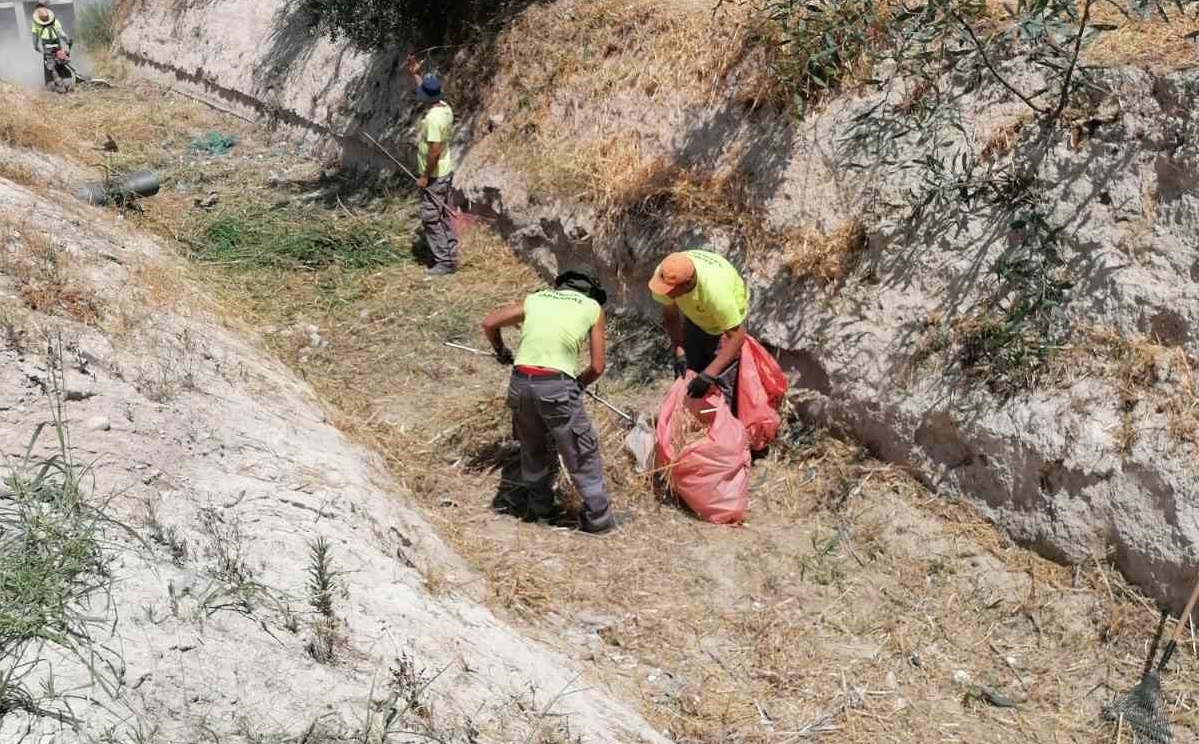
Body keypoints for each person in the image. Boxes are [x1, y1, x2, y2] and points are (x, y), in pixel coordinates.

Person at [483, 271, 615, 533]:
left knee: (532, 447)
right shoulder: (593, 308)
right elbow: (598, 366)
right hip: (556, 385)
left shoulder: (537, 299)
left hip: (521, 382)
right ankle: (599, 521)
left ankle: (540, 509)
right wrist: (578, 384)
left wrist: (501, 350)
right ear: (589, 293)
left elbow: (490, 322)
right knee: (580, 450)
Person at [649, 249, 749, 409]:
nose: (666, 294)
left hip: (726, 327)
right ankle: (693, 415)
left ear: (688, 283)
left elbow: (737, 337)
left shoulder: (715, 291)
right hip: (697, 317)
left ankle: (725, 424)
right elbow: (671, 314)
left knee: (722, 385)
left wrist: (708, 375)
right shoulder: (665, 274)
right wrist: (679, 349)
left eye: (671, 291)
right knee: (690, 371)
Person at [405, 55, 458, 278]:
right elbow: (425, 93)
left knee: (430, 218)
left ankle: (444, 263)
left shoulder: (435, 119)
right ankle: (451, 253)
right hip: (445, 171)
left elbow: (434, 149)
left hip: (435, 175)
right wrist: (416, 74)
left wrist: (425, 176)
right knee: (443, 214)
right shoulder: (444, 107)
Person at [31, 4, 72, 91]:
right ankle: (68, 79)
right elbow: (62, 34)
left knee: (51, 67)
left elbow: (35, 38)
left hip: (47, 49)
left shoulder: (36, 24)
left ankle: (60, 85)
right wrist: (68, 41)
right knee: (61, 61)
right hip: (58, 47)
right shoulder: (55, 21)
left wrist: (36, 47)